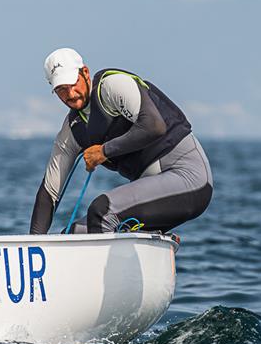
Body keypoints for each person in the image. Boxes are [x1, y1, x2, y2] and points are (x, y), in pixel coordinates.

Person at [29, 47, 213, 234]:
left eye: (72, 83)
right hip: (153, 194)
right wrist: (33, 248)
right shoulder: (72, 131)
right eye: (61, 89)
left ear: (85, 73)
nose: (70, 94)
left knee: (102, 212)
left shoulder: (111, 87)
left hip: (189, 178)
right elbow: (49, 194)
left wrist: (104, 151)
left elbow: (154, 126)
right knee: (72, 235)